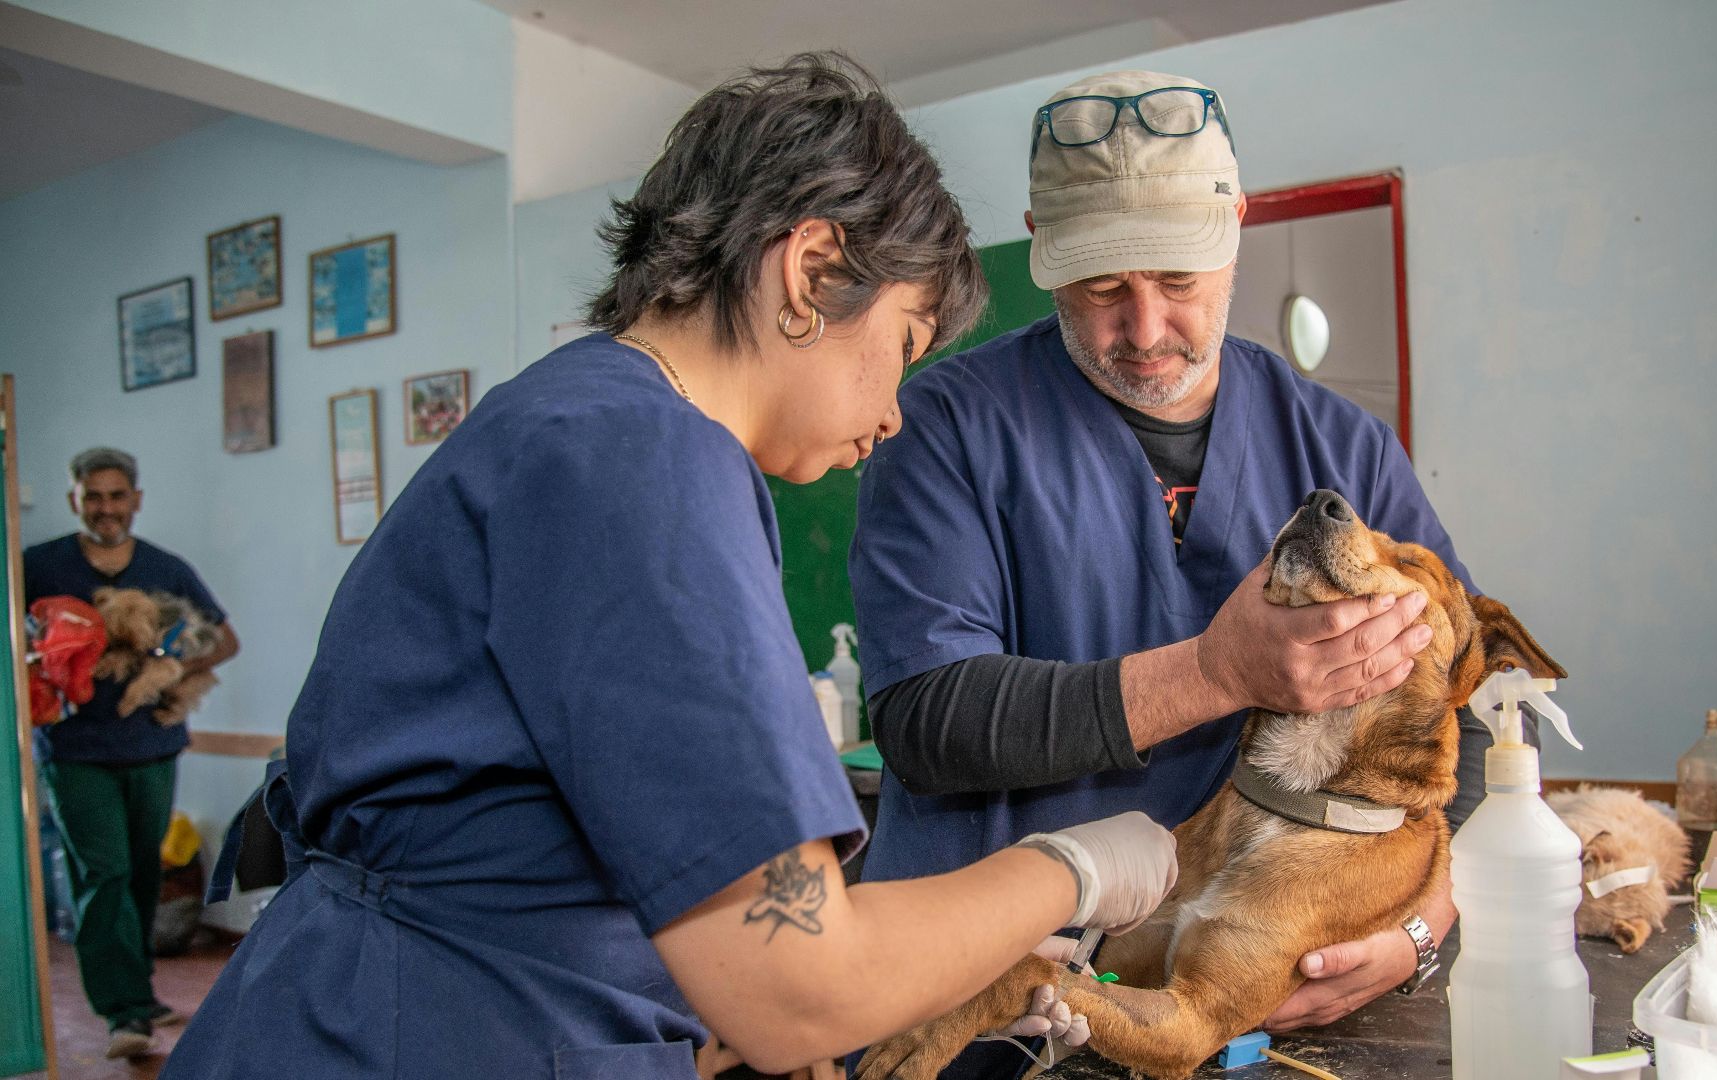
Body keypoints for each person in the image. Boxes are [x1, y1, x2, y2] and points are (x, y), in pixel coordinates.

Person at [161, 56, 1178, 1080]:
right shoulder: (648, 458)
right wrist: (1071, 868)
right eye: (905, 344)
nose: (893, 413)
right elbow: (800, 989)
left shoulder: (569, 419)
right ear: (814, 268)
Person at [850, 70, 1516, 1075]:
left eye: (1178, 280)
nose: (1147, 327)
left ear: (1237, 229)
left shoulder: (1342, 450)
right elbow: (925, 720)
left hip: (1242, 1028)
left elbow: (1454, 716)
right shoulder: (945, 428)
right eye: (1103, 286)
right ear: (1040, 241)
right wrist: (1218, 674)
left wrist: (1420, 924)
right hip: (971, 1016)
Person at [24, 447, 240, 1059]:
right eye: (94, 496)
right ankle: (122, 1013)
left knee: (144, 872)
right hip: (73, 749)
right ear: (75, 501)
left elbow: (225, 640)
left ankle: (139, 995)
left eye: (117, 496)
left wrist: (173, 667)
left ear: (136, 500)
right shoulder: (39, 566)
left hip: (152, 746)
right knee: (104, 872)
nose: (106, 508)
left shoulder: (165, 568)